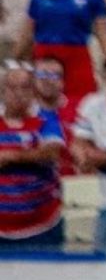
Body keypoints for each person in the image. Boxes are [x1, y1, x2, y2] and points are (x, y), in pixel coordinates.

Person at [0, 66, 66, 247]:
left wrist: (11, 156)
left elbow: (51, 152)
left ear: (33, 91)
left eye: (25, 87)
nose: (19, 93)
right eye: (12, 88)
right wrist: (29, 155)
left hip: (43, 229)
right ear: (3, 91)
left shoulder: (47, 120)